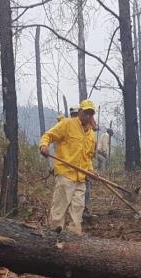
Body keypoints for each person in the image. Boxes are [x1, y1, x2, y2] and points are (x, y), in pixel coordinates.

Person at [39, 99, 97, 235]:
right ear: (80, 112)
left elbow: (88, 157)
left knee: (78, 208)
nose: (88, 116)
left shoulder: (91, 135)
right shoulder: (67, 124)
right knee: (60, 207)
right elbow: (48, 135)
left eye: (90, 114)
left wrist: (91, 171)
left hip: (81, 178)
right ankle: (54, 234)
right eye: (86, 112)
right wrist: (44, 146)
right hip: (65, 173)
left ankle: (74, 236)